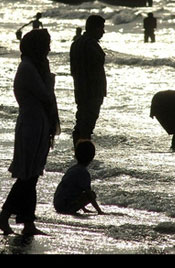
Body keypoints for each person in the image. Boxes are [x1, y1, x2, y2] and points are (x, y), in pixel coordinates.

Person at [0, 29, 60, 236]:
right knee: (28, 176)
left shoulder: (33, 66)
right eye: (46, 44)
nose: (49, 48)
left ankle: (27, 221)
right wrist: (50, 78)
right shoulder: (28, 68)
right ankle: (5, 217)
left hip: (37, 124)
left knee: (32, 176)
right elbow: (45, 95)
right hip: (31, 125)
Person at [70, 15, 107, 145]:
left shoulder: (77, 43)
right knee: (87, 123)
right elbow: (94, 67)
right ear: (95, 28)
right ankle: (82, 151)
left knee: (81, 121)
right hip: (91, 91)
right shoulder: (90, 44)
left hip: (81, 89)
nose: (103, 32)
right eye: (101, 28)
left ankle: (79, 150)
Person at [53, 140, 104, 215]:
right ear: (91, 157)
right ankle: (70, 210)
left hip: (57, 203)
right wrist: (99, 211)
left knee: (79, 191)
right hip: (64, 205)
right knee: (92, 194)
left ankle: (80, 209)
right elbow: (89, 194)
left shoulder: (73, 168)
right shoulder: (83, 172)